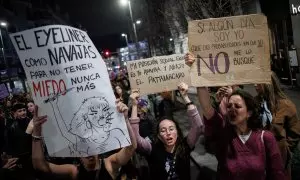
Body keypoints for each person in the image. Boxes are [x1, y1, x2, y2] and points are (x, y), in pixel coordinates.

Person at [185, 52, 285, 180]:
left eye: (237, 106)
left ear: (249, 112)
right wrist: (196, 69)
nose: (232, 109)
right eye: (229, 106)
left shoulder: (265, 138)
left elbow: (278, 174)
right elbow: (206, 107)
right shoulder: (223, 133)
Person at [31, 100, 137, 180]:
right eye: (83, 148)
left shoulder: (109, 164)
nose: (88, 151)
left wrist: (125, 120)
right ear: (78, 154)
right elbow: (40, 165)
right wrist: (36, 132)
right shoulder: (74, 170)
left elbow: (131, 148)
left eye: (91, 146)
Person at [129, 82, 204, 180]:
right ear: (159, 135)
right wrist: (134, 105)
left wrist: (185, 97)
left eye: (171, 129)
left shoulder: (185, 146)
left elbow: (198, 126)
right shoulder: (152, 149)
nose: (168, 132)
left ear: (177, 132)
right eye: (163, 130)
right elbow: (136, 139)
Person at [255, 72, 300, 180]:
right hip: (259, 154)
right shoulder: (255, 103)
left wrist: (286, 149)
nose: (255, 85)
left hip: (280, 156)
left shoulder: (286, 105)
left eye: (258, 83)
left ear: (267, 84)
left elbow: (295, 131)